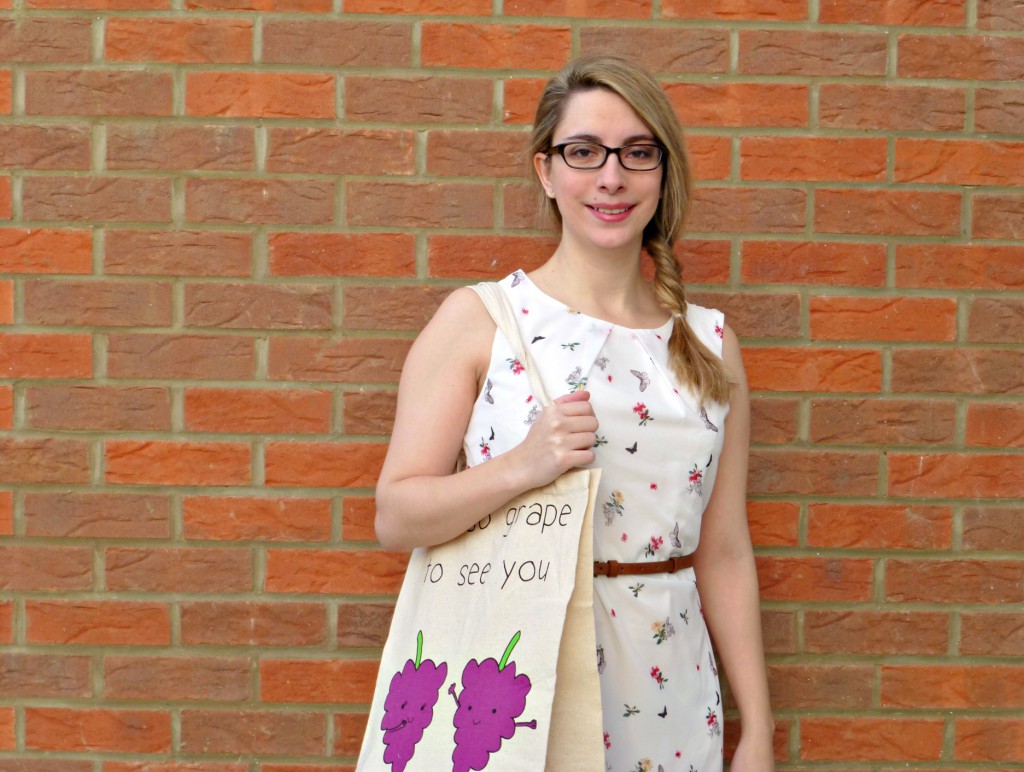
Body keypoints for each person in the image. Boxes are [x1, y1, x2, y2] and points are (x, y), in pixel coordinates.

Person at [374, 55, 775, 771]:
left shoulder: (711, 346)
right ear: (546, 171)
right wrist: (522, 466)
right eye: (584, 152)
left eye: (637, 153)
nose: (611, 177)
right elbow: (396, 515)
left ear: (663, 172)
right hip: (519, 683)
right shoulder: (481, 321)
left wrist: (759, 731)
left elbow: (725, 551)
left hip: (670, 690)